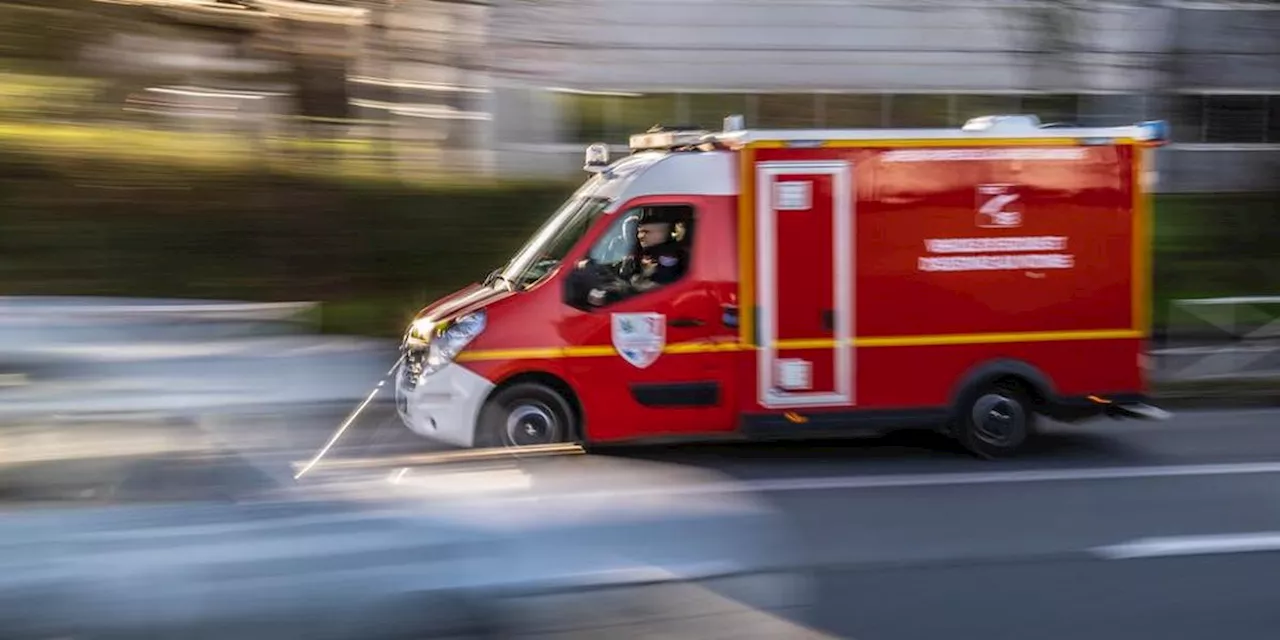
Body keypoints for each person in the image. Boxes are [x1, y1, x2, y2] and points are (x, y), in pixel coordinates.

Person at [588, 208, 687, 306]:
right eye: (639, 231)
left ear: (661, 233)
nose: (640, 236)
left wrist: (632, 283)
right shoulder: (645, 252)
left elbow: (661, 287)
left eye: (646, 232)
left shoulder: (668, 256)